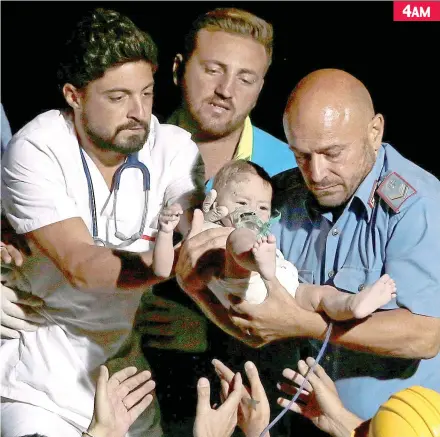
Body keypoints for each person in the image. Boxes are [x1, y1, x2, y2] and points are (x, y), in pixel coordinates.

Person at [174, 68, 440, 423]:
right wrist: (194, 286)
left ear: (374, 132)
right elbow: (253, 318)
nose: (315, 174)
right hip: (289, 419)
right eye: (301, 155)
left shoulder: (418, 205)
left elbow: (424, 336)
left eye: (332, 153)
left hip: (380, 427)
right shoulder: (279, 194)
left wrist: (302, 323)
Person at [1, 7, 202, 437]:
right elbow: (80, 263)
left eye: (146, 93)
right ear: (73, 96)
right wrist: (159, 265)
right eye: (118, 97)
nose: (139, 112)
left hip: (125, 380)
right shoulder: (37, 148)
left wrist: (208, 243)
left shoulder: (172, 148)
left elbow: (197, 223)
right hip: (40, 385)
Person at [136, 7, 298, 435]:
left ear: (260, 88)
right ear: (177, 69)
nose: (226, 90)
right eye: (212, 70)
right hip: (121, 383)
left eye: (246, 79)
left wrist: (208, 324)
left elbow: (295, 300)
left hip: (242, 397)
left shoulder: (287, 171)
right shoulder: (127, 150)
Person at [162, 159, 397, 324]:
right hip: (242, 286)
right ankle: (254, 260)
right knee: (238, 238)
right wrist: (165, 234)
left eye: (262, 207)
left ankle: (353, 304)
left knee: (321, 295)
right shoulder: (208, 230)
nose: (251, 212)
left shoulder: (266, 234)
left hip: (286, 289)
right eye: (242, 203)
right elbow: (167, 265)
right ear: (214, 202)